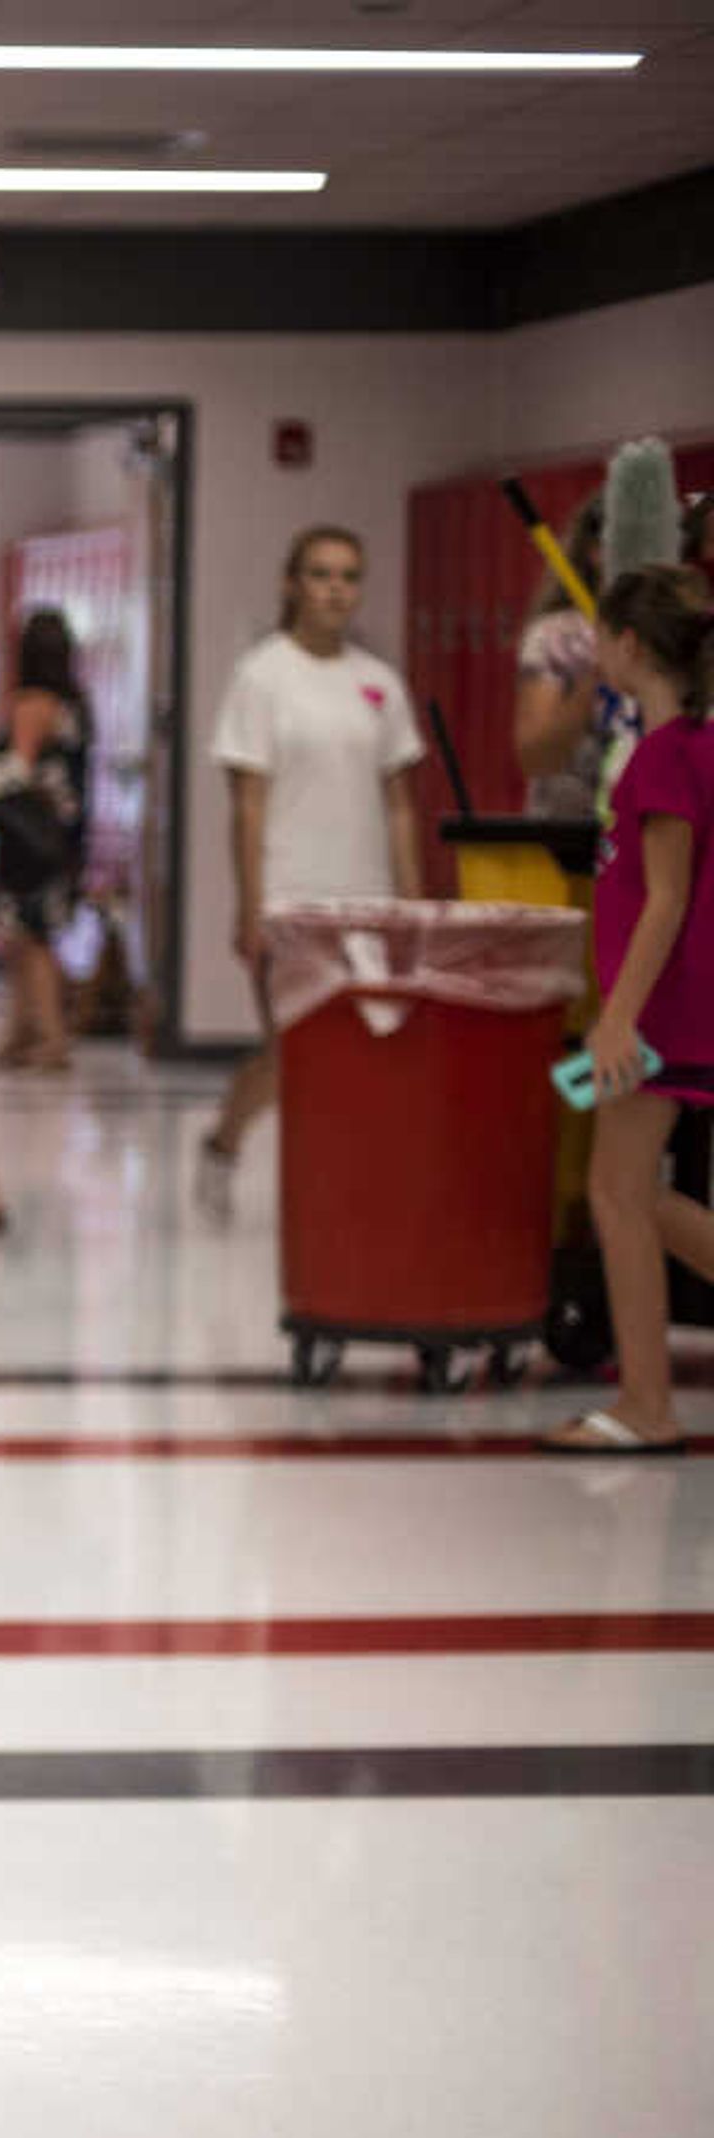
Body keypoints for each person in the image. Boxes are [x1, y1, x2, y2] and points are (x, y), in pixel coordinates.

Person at [542, 564, 714, 1455]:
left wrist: (618, 1020)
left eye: (602, 636)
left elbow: (667, 898)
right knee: (633, 1192)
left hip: (660, 1010)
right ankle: (645, 1400)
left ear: (630, 645)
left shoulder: (661, 757)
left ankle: (647, 1405)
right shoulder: (691, 745)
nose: (597, 650)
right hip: (679, 1006)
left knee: (619, 1191)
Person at [200, 524, 424, 1202]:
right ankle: (225, 1142)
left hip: (367, 897)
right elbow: (248, 804)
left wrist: (412, 902)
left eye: (349, 576)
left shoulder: (378, 682)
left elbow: (400, 805)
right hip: (290, 895)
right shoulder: (261, 676)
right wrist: (249, 905)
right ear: (291, 583)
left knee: (365, 1053)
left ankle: (344, 1193)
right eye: (321, 574)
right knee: (292, 1056)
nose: (335, 589)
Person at [0, 607, 94, 1073]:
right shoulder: (76, 706)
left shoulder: (31, 703)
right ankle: (22, 1032)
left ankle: (49, 1036)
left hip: (28, 841)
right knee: (33, 935)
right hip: (63, 839)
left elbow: (17, 768)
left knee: (30, 939)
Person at [513, 492, 629, 825]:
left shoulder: (670, 632)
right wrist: (592, 682)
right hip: (567, 840)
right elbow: (536, 757)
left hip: (648, 839)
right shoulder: (556, 638)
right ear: (596, 552)